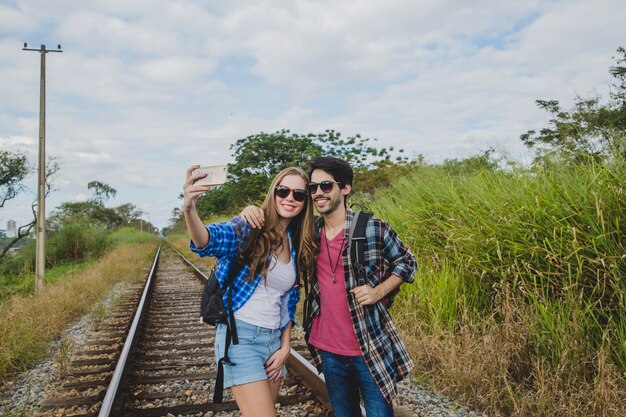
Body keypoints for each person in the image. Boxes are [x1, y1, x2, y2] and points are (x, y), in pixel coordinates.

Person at [241, 156, 417, 417]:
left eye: (326, 186)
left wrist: (379, 291)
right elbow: (275, 224)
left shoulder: (372, 228)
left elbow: (407, 261)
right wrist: (249, 211)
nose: (318, 194)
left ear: (345, 188)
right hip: (328, 350)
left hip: (367, 344)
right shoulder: (307, 232)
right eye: (312, 188)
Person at [183, 165, 317, 417]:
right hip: (240, 339)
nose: (290, 198)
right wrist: (190, 208)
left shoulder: (296, 241)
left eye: (299, 194)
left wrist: (285, 347)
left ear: (305, 202)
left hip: (273, 343)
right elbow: (206, 241)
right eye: (284, 190)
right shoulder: (248, 227)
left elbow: (288, 302)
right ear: (273, 192)